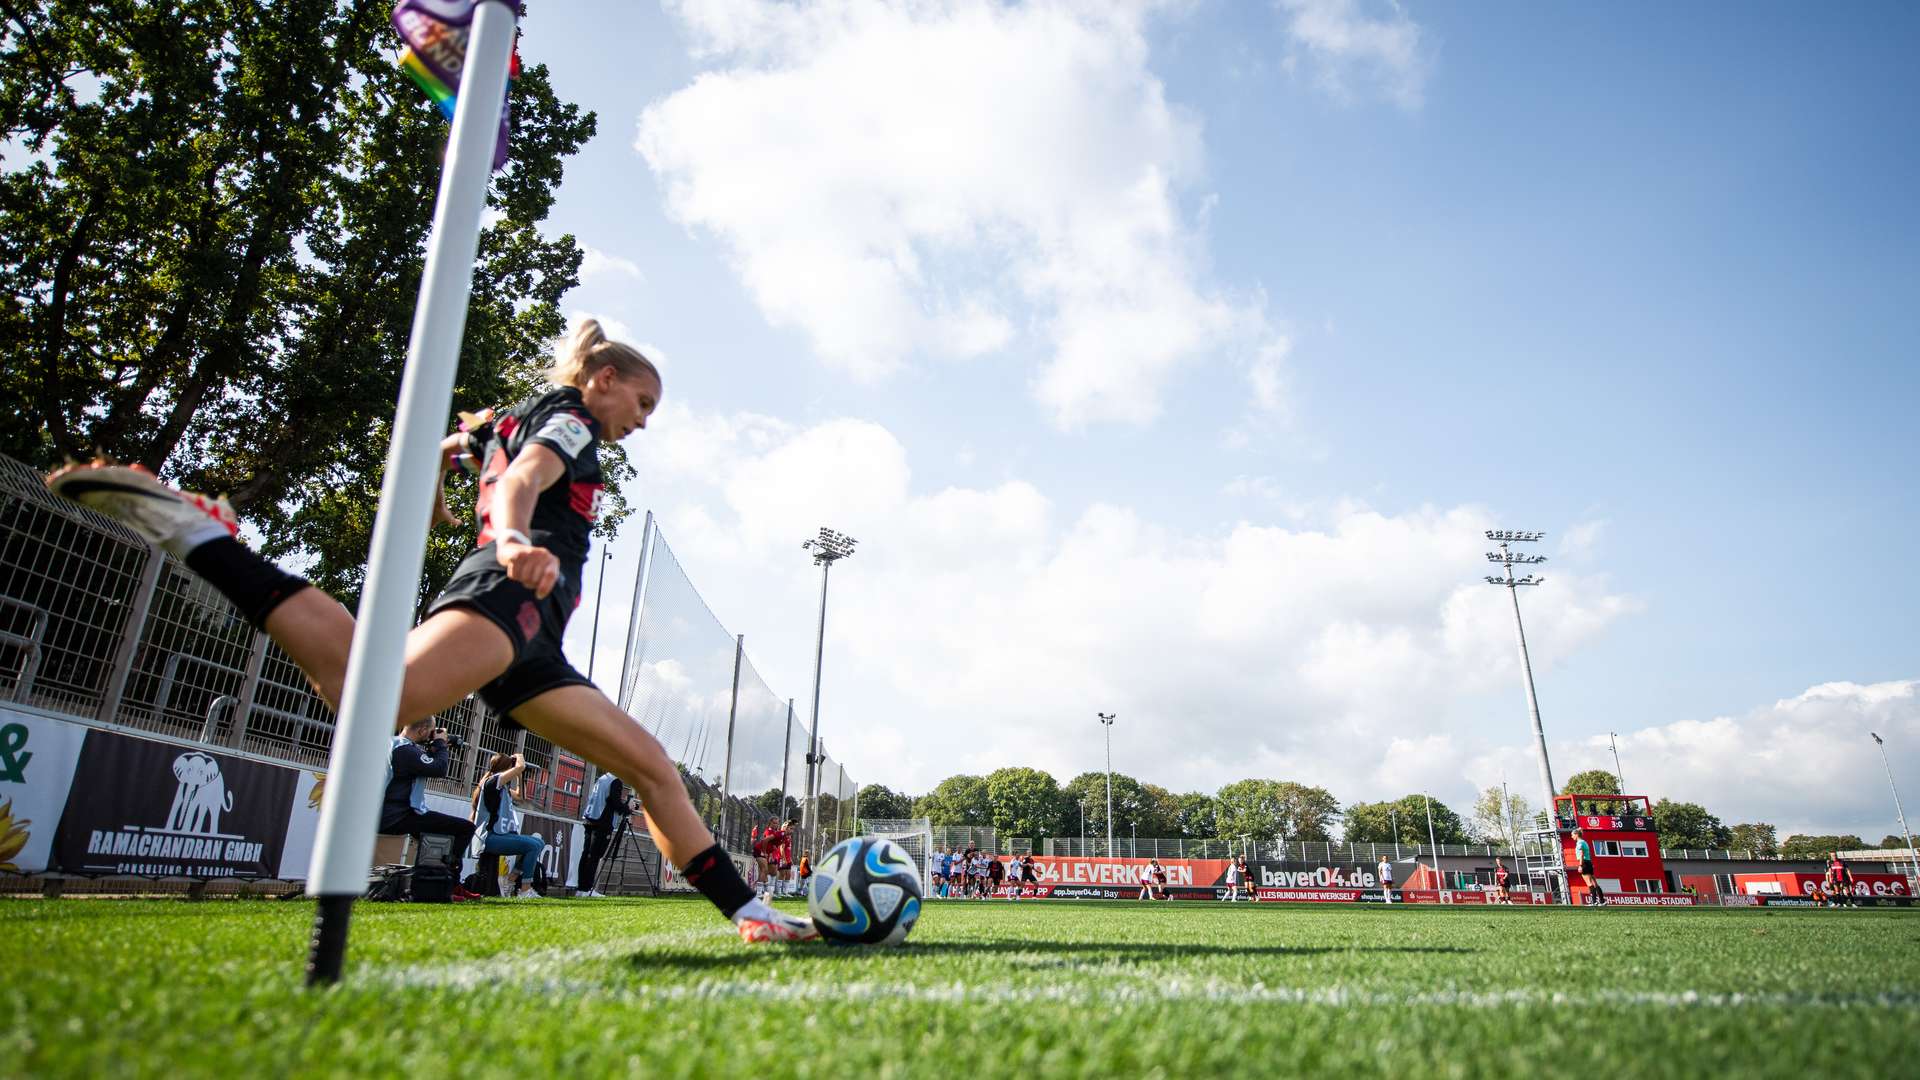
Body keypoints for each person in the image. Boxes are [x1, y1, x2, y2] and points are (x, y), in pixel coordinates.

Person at [48, 320, 814, 942]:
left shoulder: (515, 420)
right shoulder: (574, 422)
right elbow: (520, 481)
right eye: (642, 403)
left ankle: (750, 915)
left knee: (652, 767)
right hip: (509, 597)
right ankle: (204, 539)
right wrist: (512, 539)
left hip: (533, 642)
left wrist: (449, 468)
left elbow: (473, 448)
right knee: (376, 695)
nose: (642, 422)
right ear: (602, 379)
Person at [377, 717, 479, 901]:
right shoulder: (405, 750)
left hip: (392, 811)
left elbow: (421, 765)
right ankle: (449, 883)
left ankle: (438, 883)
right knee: (465, 828)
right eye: (431, 731)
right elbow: (438, 768)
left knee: (438, 836)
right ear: (423, 729)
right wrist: (440, 744)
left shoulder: (394, 744)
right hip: (399, 815)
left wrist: (437, 748)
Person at [469, 752, 545, 899]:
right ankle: (524, 889)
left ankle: (509, 881)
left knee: (539, 843)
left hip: (501, 835)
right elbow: (520, 766)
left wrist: (520, 775)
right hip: (489, 837)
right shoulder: (492, 781)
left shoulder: (503, 788)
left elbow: (521, 798)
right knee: (533, 846)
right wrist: (519, 760)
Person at [575, 769, 633, 898]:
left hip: (591, 819)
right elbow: (615, 803)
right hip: (602, 822)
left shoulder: (603, 778)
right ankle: (587, 889)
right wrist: (628, 808)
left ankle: (581, 888)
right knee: (594, 856)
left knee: (586, 855)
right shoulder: (615, 781)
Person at [1573, 828, 1605, 906]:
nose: (1572, 836)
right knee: (1595, 883)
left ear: (1576, 835)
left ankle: (1594, 902)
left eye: (1572, 835)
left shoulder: (1579, 843)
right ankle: (1602, 901)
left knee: (1589, 883)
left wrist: (1580, 865)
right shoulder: (1585, 842)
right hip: (1589, 862)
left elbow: (1581, 854)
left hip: (1584, 863)